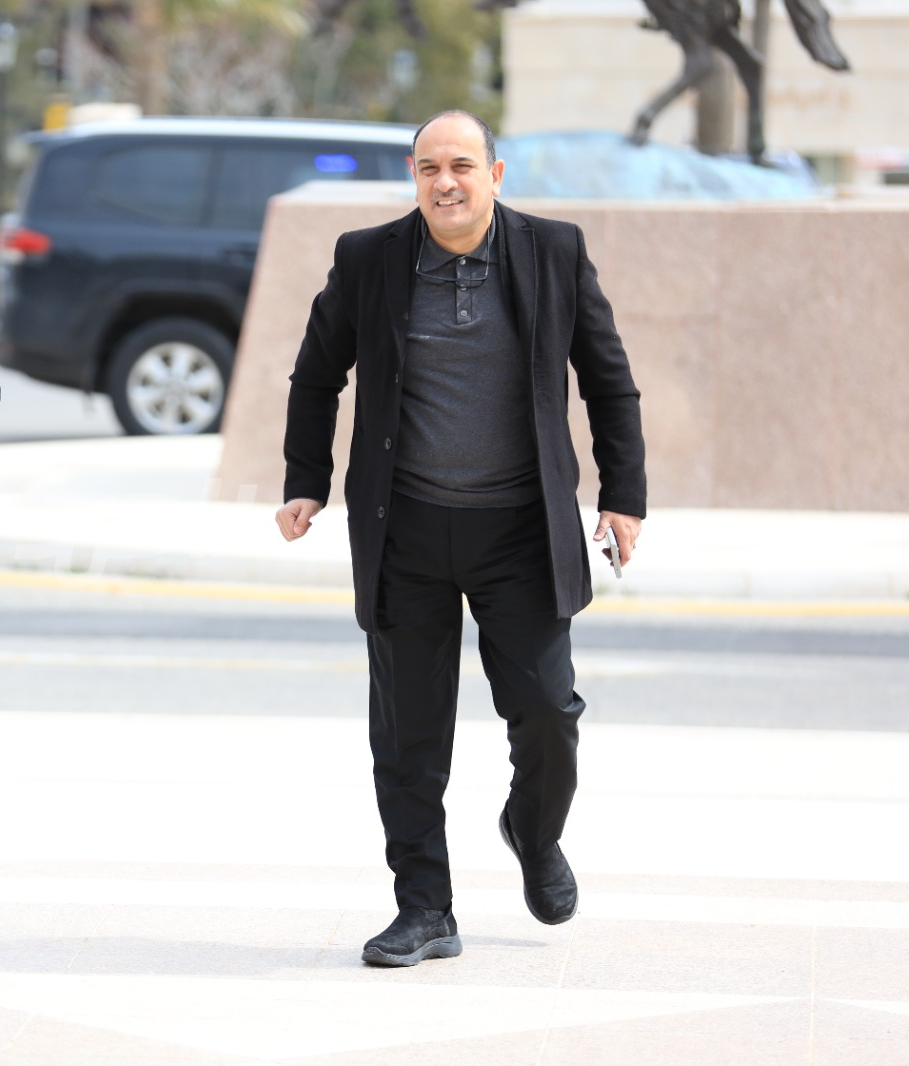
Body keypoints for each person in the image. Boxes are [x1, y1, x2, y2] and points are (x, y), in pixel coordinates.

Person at [275, 111, 645, 967]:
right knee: (408, 732)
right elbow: (317, 372)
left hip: (521, 530)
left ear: (496, 175)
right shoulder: (368, 258)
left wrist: (623, 497)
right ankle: (424, 907)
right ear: (413, 176)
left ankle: (534, 830)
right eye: (429, 168)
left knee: (548, 712)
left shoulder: (553, 251)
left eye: (462, 166)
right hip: (404, 529)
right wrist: (305, 478)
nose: (446, 183)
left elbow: (608, 380)